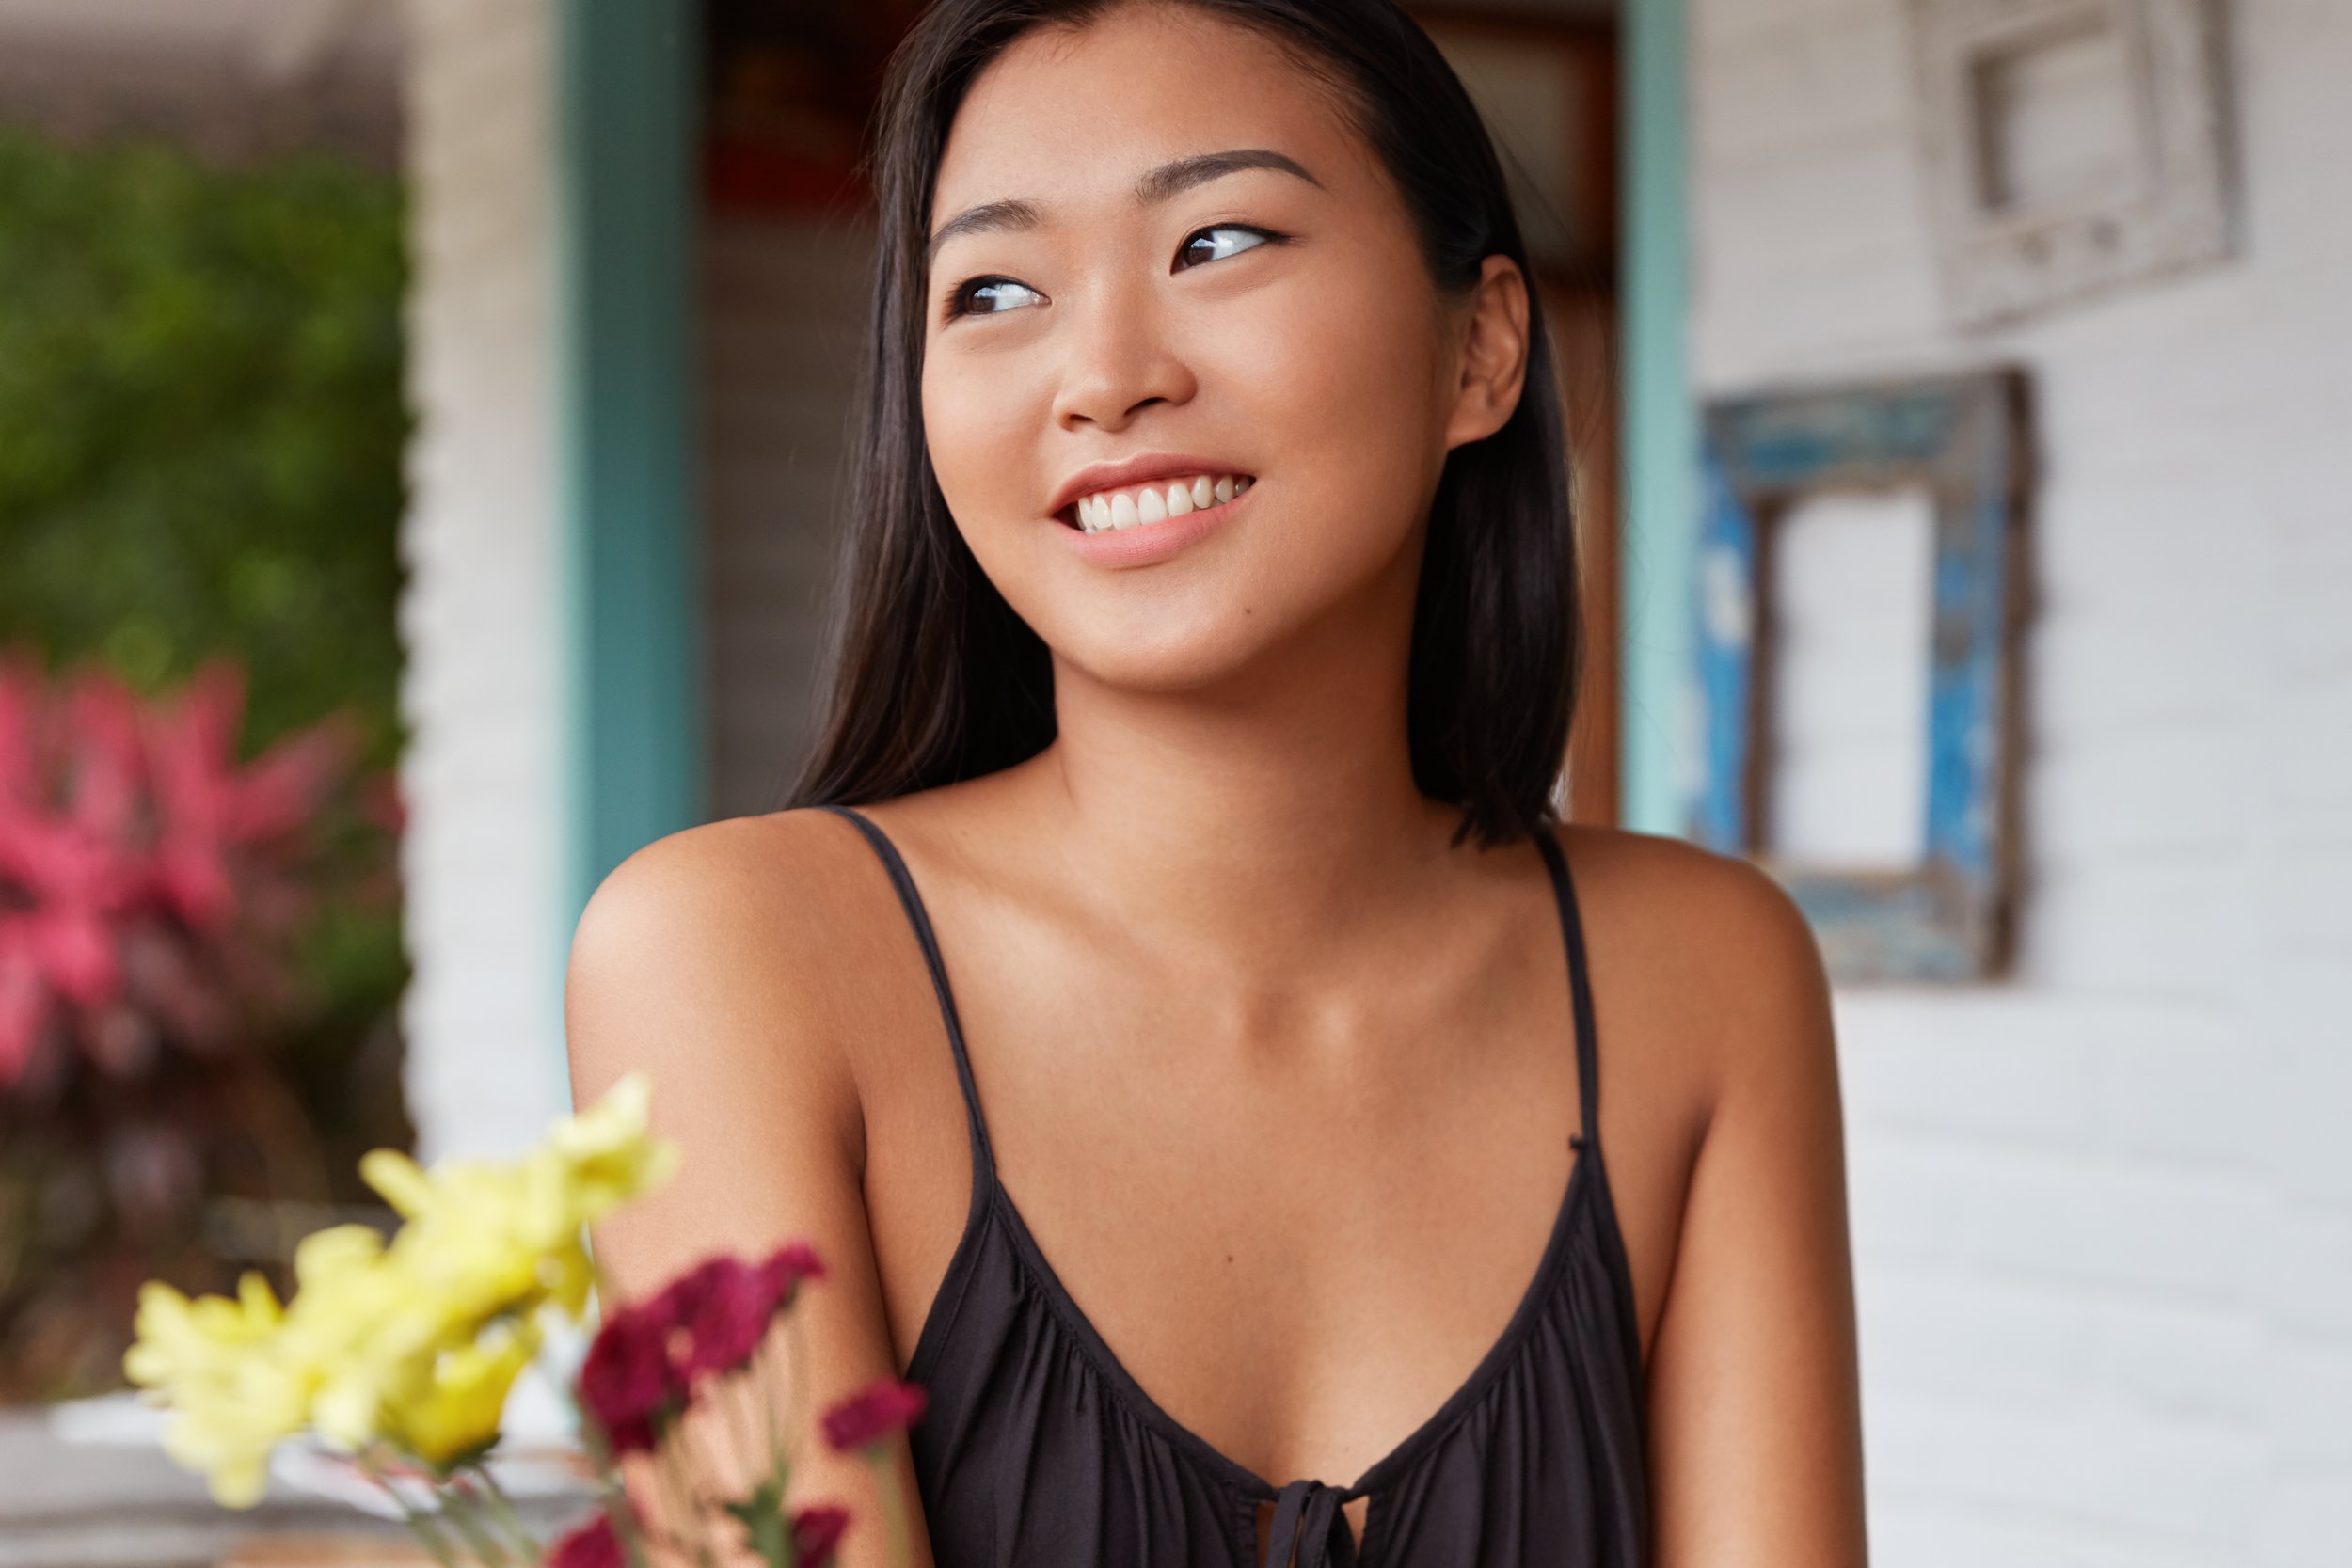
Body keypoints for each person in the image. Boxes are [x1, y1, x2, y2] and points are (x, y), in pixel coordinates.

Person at [565, 1, 1867, 1563]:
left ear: (1482, 346)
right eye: (993, 289)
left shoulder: (1705, 977)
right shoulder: (738, 958)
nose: (1103, 376)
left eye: (1217, 242)